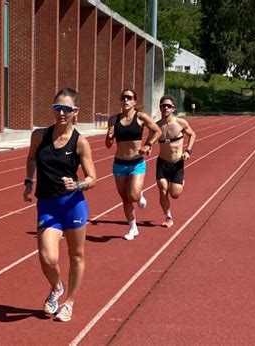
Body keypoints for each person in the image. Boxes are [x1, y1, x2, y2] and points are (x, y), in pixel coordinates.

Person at [23, 88, 97, 322]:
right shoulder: (39, 136)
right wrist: (28, 181)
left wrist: (77, 185)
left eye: (66, 109)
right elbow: (31, 157)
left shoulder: (80, 142)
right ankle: (57, 286)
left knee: (76, 254)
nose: (61, 113)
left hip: (72, 205)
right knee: (48, 257)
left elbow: (92, 178)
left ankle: (70, 302)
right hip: (47, 204)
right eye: (57, 108)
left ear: (76, 111)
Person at [105, 88, 161, 240]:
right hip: (119, 164)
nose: (126, 100)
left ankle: (140, 196)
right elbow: (108, 145)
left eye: (129, 98)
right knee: (125, 198)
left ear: (134, 101)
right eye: (123, 97)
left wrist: (148, 144)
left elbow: (157, 131)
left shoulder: (141, 117)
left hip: (136, 162)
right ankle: (133, 227)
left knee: (134, 195)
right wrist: (109, 136)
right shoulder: (113, 120)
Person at [155, 95, 196, 228]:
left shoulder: (181, 123)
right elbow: (149, 140)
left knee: (175, 194)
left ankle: (180, 182)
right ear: (160, 108)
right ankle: (168, 216)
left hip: (177, 163)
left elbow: (193, 135)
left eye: (169, 106)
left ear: (173, 109)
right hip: (162, 162)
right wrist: (147, 146)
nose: (166, 108)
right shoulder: (157, 126)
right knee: (162, 190)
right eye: (163, 106)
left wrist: (188, 151)